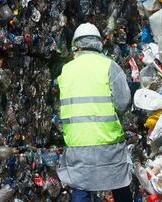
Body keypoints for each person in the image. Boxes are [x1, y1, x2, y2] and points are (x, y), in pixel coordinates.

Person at [56, 22, 133, 202]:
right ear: (98, 44)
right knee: (119, 185)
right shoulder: (109, 66)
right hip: (108, 143)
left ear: (76, 46)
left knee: (81, 188)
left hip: (77, 146)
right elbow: (123, 103)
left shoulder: (65, 71)